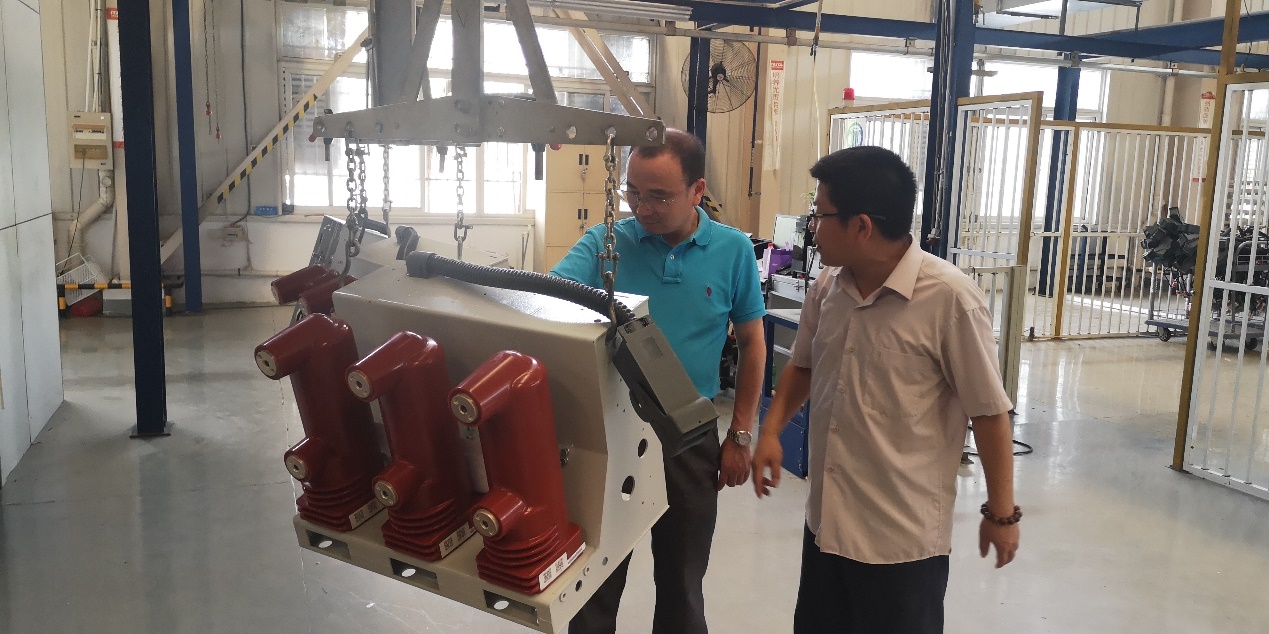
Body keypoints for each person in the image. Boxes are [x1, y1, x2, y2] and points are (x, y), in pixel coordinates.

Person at [752, 146, 1020, 633]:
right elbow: (804, 367)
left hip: (901, 546)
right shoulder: (828, 287)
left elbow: (988, 412)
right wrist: (771, 430)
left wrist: (1002, 514)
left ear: (861, 227)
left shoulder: (950, 300)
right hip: (826, 527)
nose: (812, 229)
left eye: (819, 216)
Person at [552, 129, 766, 634]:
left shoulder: (732, 250)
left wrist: (740, 434)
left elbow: (753, 344)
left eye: (659, 196)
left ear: (697, 191)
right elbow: (549, 297)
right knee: (594, 579)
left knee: (682, 578)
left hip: (688, 435)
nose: (642, 208)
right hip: (611, 431)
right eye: (633, 192)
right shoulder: (607, 242)